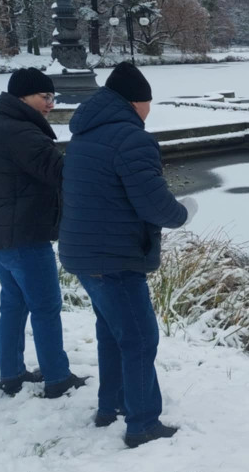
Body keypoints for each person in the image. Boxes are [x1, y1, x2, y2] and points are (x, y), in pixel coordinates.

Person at [59, 62, 196, 448]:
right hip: (115, 256)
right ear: (137, 102)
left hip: (84, 253)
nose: (150, 110)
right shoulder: (131, 139)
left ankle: (112, 405)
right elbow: (154, 204)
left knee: (112, 333)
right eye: (149, 102)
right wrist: (183, 213)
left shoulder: (84, 134)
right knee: (139, 338)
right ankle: (143, 424)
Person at [0, 67, 87, 398]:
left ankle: (12, 374)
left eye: (53, 97)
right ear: (23, 97)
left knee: (14, 303)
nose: (51, 103)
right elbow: (62, 172)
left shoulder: (0, 123)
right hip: (22, 235)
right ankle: (57, 378)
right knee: (46, 306)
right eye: (44, 96)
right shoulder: (21, 132)